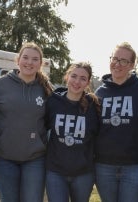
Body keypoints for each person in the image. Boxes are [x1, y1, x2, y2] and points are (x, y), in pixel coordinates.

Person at [0, 42, 53, 202]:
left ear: (40, 63)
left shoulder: (46, 89)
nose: (29, 62)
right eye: (25, 57)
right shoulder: (0, 85)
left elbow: (52, 121)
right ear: (18, 60)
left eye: (35, 59)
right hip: (3, 157)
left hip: (35, 158)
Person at [94, 42, 138, 202]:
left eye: (123, 61)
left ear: (132, 65)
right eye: (115, 58)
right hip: (104, 166)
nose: (117, 64)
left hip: (134, 166)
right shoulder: (100, 92)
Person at [45, 62, 100, 202]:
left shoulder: (94, 106)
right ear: (67, 77)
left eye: (83, 78)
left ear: (87, 82)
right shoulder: (53, 101)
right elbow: (41, 128)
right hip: (55, 172)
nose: (77, 81)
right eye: (74, 76)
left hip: (83, 174)